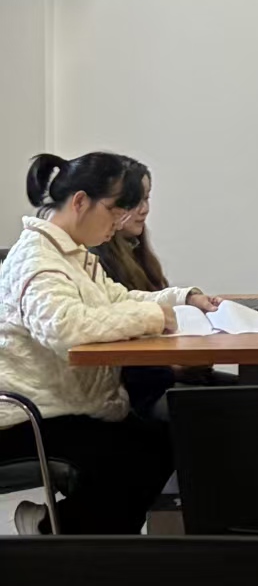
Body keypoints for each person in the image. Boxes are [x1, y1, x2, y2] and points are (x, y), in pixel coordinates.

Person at [0, 152, 216, 534]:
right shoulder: (37, 260)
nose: (119, 222)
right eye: (115, 210)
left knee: (160, 440)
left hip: (66, 404)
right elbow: (65, 328)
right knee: (136, 454)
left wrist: (182, 299)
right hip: (28, 416)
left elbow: (118, 299)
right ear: (81, 201)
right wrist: (154, 317)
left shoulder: (73, 255)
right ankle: (63, 536)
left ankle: (60, 528)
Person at [90, 162, 234, 416]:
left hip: (160, 376)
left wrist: (190, 299)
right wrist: (174, 369)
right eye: (135, 201)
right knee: (248, 406)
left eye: (146, 198)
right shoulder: (95, 261)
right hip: (140, 393)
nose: (144, 209)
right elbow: (117, 351)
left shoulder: (135, 249)